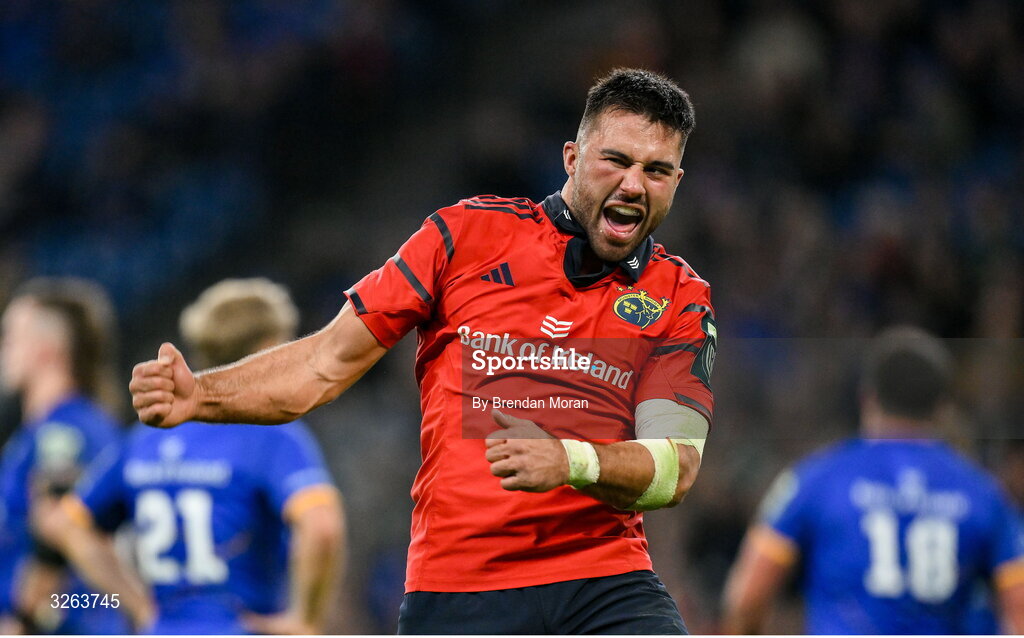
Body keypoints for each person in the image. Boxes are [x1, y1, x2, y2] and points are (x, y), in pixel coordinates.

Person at [130, 68, 716, 634]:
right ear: (572, 158)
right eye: (616, 160)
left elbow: (675, 467)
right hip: (460, 586)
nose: (634, 184)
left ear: (677, 182)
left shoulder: (679, 296)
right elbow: (321, 365)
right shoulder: (465, 237)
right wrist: (201, 393)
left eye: (657, 170)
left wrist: (569, 461)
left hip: (605, 581)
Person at [35, 278, 346, 634]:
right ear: (270, 348)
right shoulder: (273, 436)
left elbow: (70, 525)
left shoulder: (144, 439)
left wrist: (139, 606)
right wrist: (305, 621)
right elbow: (321, 525)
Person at [721, 326, 1024, 634]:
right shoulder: (985, 494)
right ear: (941, 407)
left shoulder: (816, 480)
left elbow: (748, 598)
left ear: (868, 396)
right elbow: (1019, 610)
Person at [0, 277, 128, 634]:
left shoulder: (64, 434)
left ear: (47, 348)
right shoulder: (45, 431)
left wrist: (22, 621)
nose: (3, 348)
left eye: (11, 337)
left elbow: (56, 535)